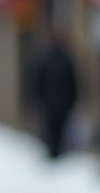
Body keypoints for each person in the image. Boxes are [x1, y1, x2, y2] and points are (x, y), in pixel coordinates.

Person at [29, 26, 79, 158]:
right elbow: (73, 83)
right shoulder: (66, 59)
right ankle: (56, 154)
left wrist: (38, 100)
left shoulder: (46, 59)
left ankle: (53, 154)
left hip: (50, 104)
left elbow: (38, 83)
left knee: (51, 130)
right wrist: (73, 100)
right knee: (59, 131)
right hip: (63, 104)